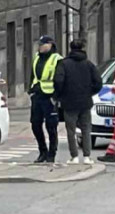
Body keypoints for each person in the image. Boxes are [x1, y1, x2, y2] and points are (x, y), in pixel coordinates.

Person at [53, 39, 103, 165]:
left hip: (69, 102)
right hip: (85, 101)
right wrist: (89, 92)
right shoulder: (89, 64)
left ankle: (74, 156)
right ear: (83, 48)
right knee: (86, 128)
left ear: (70, 48)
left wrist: (58, 95)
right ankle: (87, 156)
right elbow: (98, 82)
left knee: (71, 129)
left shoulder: (63, 64)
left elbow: (58, 81)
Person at [30, 35, 62, 163]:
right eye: (40, 44)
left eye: (43, 44)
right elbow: (32, 75)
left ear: (50, 45)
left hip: (50, 97)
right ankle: (42, 151)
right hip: (37, 95)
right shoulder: (37, 57)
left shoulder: (57, 59)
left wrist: (56, 97)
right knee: (35, 124)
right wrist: (30, 90)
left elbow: (60, 79)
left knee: (51, 126)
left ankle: (51, 153)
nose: (40, 46)